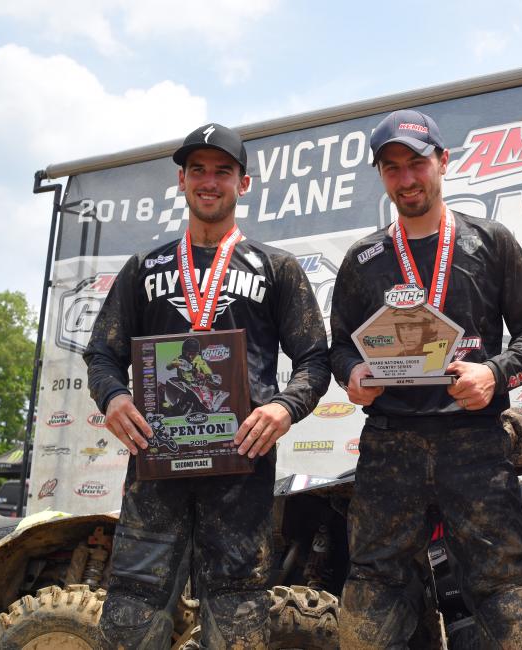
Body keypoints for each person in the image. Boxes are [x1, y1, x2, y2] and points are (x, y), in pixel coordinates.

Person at [84, 122, 330, 649]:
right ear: (182, 180)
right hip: (155, 469)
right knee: (133, 599)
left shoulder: (276, 269)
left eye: (223, 171)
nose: (209, 181)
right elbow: (102, 353)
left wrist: (285, 408)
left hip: (241, 469)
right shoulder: (144, 269)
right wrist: (114, 396)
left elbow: (314, 359)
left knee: (239, 603)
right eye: (198, 170)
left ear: (244, 182)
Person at [330, 109, 522, 648]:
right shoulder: (364, 258)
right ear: (381, 176)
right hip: (390, 446)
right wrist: (352, 375)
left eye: (417, 163)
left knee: (505, 586)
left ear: (443, 161)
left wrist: (493, 372)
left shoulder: (491, 242)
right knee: (372, 592)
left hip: (474, 442)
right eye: (392, 168)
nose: (407, 179)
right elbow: (339, 346)